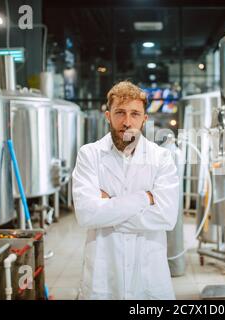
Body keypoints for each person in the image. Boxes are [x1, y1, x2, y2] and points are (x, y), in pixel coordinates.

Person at [72, 81, 179, 300]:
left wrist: (108, 204)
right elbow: (86, 214)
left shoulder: (161, 158)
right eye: (120, 113)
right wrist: (145, 198)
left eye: (135, 114)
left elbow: (167, 217)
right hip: (103, 274)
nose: (127, 122)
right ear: (108, 116)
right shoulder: (89, 155)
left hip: (149, 274)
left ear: (144, 119)